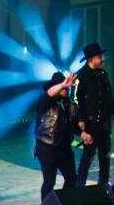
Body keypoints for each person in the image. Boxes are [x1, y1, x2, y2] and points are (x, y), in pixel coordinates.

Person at [75, 43, 114, 189]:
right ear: (91, 59)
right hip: (90, 124)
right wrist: (81, 119)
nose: (103, 59)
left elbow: (108, 94)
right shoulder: (81, 76)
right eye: (100, 57)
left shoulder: (103, 73)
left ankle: (103, 186)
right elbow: (77, 99)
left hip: (104, 123)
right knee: (87, 157)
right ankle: (79, 188)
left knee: (105, 156)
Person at [34, 71, 78, 200]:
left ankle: (64, 201)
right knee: (49, 182)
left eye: (66, 87)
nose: (66, 89)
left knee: (71, 178)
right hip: (47, 147)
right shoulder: (45, 102)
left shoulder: (69, 104)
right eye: (63, 87)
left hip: (64, 148)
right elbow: (49, 94)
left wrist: (83, 133)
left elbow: (73, 125)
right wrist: (62, 84)